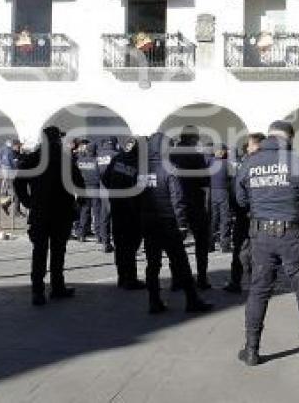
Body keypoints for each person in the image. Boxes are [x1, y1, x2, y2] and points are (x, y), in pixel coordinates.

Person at [236, 120, 299, 369]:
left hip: (260, 235)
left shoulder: (250, 161)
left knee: (259, 291)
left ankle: (251, 350)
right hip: (292, 234)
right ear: (289, 137)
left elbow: (239, 198)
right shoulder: (297, 160)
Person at [139, 132, 212, 314]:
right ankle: (192, 300)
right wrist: (181, 224)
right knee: (181, 262)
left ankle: (154, 301)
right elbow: (177, 199)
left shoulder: (143, 170)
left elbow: (137, 197)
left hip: (149, 222)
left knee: (152, 264)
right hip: (168, 222)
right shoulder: (169, 169)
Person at [14, 126, 82, 306]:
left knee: (39, 252)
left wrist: (28, 201)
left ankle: (38, 292)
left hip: (40, 213)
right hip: (62, 213)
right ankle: (57, 287)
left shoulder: (32, 158)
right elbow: (80, 184)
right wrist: (80, 203)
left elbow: (18, 182)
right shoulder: (65, 159)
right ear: (57, 140)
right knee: (58, 252)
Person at [101, 135, 145, 290]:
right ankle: (130, 279)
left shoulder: (117, 158)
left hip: (116, 205)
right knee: (131, 244)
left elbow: (105, 178)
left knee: (120, 243)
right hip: (131, 209)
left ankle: (121, 277)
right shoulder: (140, 163)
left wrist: (114, 192)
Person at [171, 126, 212, 289]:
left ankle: (177, 280)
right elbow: (204, 180)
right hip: (194, 201)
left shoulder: (170, 154)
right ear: (194, 139)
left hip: (175, 203)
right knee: (201, 243)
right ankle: (201, 278)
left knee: (176, 244)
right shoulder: (196, 155)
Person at [223, 133, 264, 294]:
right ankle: (257, 282)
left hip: (246, 212)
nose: (247, 148)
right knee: (258, 249)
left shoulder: (246, 163)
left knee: (242, 248)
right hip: (259, 212)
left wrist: (238, 208)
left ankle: (237, 281)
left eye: (250, 145)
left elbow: (235, 189)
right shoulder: (267, 162)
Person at [75, 140, 104, 245]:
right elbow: (101, 174)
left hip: (83, 188)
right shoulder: (97, 161)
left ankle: (81, 234)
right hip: (95, 188)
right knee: (97, 212)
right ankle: (99, 235)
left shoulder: (80, 161)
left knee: (84, 211)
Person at [209, 144, 233, 252]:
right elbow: (232, 180)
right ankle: (225, 245)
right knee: (225, 219)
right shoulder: (227, 164)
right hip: (223, 192)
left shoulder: (208, 162)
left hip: (211, 193)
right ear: (222, 152)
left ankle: (210, 245)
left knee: (213, 219)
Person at [0, 139, 21, 218]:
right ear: (14, 145)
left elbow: (0, 159)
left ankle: (5, 205)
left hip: (9, 174)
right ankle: (16, 212)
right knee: (17, 194)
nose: (19, 147)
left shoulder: (8, 151)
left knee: (17, 194)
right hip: (10, 175)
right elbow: (11, 164)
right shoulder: (10, 152)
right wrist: (18, 163)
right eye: (18, 145)